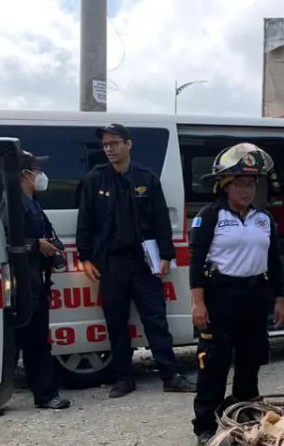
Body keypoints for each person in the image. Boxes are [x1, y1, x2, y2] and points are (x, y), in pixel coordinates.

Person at [75, 123, 195, 398]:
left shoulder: (146, 177)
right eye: (105, 145)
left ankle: (171, 375)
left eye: (114, 143)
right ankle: (123, 378)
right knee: (116, 323)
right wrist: (85, 257)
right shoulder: (95, 179)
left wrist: (166, 255)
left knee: (156, 320)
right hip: (112, 264)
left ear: (129, 144)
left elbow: (160, 220)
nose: (109, 148)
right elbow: (86, 221)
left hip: (143, 263)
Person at [188, 144, 284, 446]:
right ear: (225, 185)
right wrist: (198, 302)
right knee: (213, 364)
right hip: (220, 298)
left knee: (250, 362)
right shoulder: (209, 217)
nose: (247, 189)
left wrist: (279, 299)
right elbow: (197, 260)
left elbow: (274, 262)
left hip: (255, 298)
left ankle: (241, 417)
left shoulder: (264, 219)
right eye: (240, 183)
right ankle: (205, 425)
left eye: (252, 183)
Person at [16, 150, 71, 410]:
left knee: (38, 340)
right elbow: (3, 241)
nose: (41, 175)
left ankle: (46, 394)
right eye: (37, 170)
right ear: (25, 174)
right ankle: (0, 396)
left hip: (36, 282)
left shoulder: (33, 202)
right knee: (16, 342)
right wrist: (35, 245)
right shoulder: (11, 203)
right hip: (19, 285)